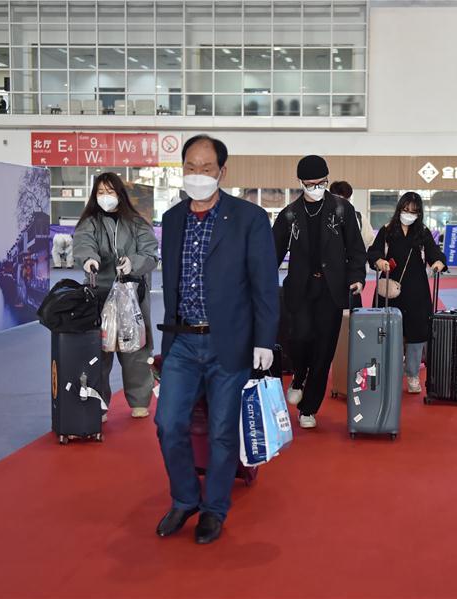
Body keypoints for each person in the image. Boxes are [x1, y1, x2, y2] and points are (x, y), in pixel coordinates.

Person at [154, 134, 278, 545]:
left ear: (222, 172)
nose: (198, 175)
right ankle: (186, 497)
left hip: (230, 343)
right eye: (191, 166)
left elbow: (264, 285)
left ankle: (214, 508)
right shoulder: (172, 220)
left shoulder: (249, 219)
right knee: (168, 424)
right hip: (183, 343)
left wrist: (264, 340)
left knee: (224, 432)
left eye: (207, 168)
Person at [273, 156, 366, 430]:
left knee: (324, 350)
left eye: (320, 183)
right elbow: (271, 253)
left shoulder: (342, 210)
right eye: (310, 184)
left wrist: (357, 278)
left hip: (332, 290)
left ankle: (308, 408)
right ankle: (299, 376)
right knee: (300, 338)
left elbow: (356, 250)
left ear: (327, 180)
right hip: (301, 288)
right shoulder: (289, 214)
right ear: (300, 183)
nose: (315, 187)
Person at [73, 172, 159, 421]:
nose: (105, 197)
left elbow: (151, 254)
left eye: (110, 192)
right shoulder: (90, 222)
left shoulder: (137, 223)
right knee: (98, 351)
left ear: (120, 194)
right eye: (100, 192)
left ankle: (140, 400)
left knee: (135, 349)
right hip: (99, 297)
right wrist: (89, 259)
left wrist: (133, 263)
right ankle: (98, 401)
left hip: (132, 296)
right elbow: (83, 243)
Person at [367, 192, 446, 394]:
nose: (409, 214)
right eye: (405, 210)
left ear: (419, 213)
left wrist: (438, 261)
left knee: (417, 334)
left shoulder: (423, 232)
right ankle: (388, 372)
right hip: (390, 289)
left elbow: (433, 252)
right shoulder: (387, 230)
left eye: (413, 211)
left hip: (416, 289)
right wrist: (379, 261)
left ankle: (412, 375)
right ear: (399, 209)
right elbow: (374, 252)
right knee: (386, 333)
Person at [330, 180, 374, 309]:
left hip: (350, 275)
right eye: (338, 199)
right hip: (328, 275)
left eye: (345, 199)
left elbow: (369, 243)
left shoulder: (359, 219)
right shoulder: (322, 218)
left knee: (351, 317)